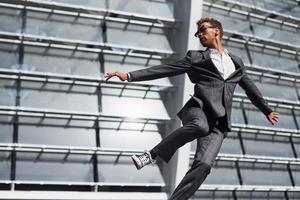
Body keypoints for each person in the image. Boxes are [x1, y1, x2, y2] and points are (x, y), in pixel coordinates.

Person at [104, 17, 279, 200]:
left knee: (204, 165)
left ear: (216, 31)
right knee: (200, 126)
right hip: (198, 109)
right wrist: (129, 75)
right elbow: (166, 69)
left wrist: (266, 110)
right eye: (197, 33)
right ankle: (152, 154)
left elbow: (250, 88)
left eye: (203, 30)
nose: (199, 35)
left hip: (219, 123)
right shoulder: (195, 58)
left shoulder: (236, 62)